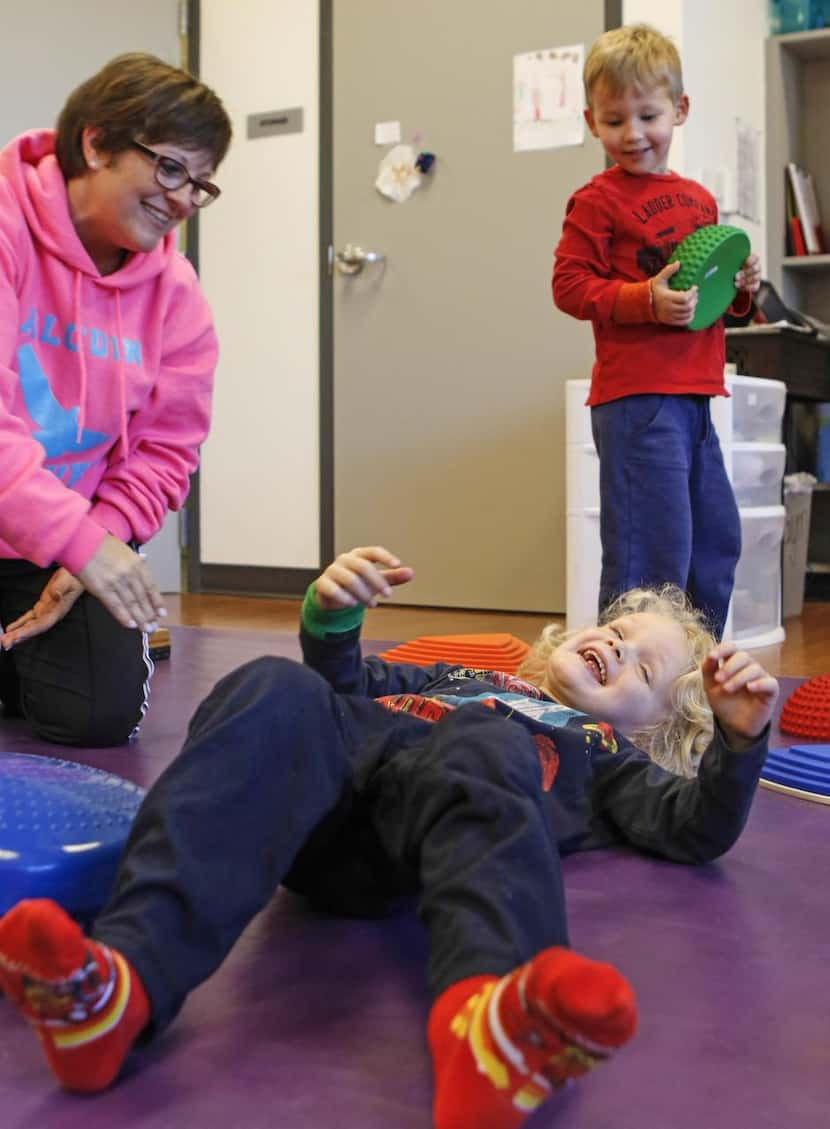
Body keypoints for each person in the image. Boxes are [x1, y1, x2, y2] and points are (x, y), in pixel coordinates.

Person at [0, 545, 778, 1129]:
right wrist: (333, 618)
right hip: (317, 805)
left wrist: (738, 745)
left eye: (642, 670)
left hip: (413, 840)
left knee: (488, 743)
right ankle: (122, 983)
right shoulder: (458, 677)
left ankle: (486, 1022)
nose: (615, 644)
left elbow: (694, 827)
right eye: (615, 628)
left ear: (654, 735)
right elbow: (349, 689)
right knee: (274, 687)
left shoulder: (610, 759)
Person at [0, 53, 232, 746]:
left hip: (57, 548)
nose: (183, 198)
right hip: (57, 531)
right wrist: (83, 542)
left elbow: (167, 449)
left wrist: (95, 544)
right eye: (169, 168)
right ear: (95, 142)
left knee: (100, 712)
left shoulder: (177, 293)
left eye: (200, 184)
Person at [552, 24, 762, 639]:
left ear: (680, 110)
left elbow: (713, 301)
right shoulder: (596, 200)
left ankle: (692, 680)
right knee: (651, 554)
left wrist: (743, 286)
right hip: (637, 401)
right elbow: (569, 286)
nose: (633, 134)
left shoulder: (699, 200)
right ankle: (624, 690)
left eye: (648, 115)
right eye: (615, 120)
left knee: (714, 543)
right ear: (593, 122)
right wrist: (645, 300)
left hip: (696, 399)